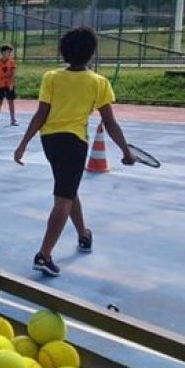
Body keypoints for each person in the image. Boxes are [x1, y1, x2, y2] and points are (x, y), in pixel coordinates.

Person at [13, 27, 134, 277]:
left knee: (68, 189)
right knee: (63, 199)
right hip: (75, 142)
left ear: (64, 51)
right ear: (91, 53)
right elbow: (110, 123)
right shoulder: (99, 83)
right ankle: (44, 255)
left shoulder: (51, 77)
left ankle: (83, 234)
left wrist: (23, 143)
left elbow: (41, 114)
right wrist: (125, 150)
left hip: (50, 141)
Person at [0, 44, 18, 126]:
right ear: (3, 52)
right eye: (8, 52)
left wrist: (12, 84)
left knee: (11, 102)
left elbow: (13, 74)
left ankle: (13, 120)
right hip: (0, 86)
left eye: (10, 52)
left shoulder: (12, 62)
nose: (9, 53)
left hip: (9, 86)